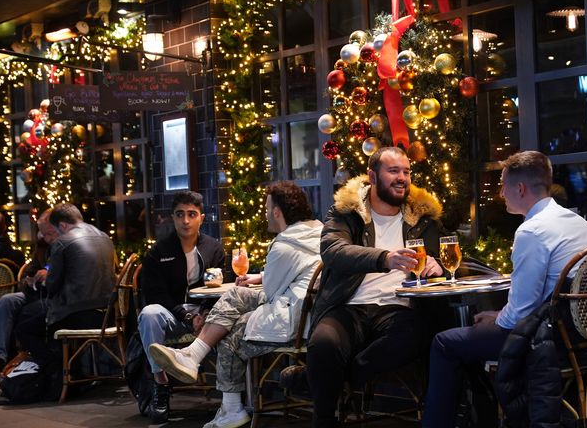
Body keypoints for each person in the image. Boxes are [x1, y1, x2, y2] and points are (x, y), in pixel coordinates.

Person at [420, 150, 587, 428]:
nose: (501, 193)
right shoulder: (578, 222)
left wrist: (498, 318)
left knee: (445, 343)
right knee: (472, 338)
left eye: (503, 185)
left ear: (520, 188)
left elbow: (520, 315)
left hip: (549, 342)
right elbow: (536, 300)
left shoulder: (532, 231)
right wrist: (498, 314)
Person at [149, 181, 323, 428]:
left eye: (266, 208)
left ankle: (224, 398)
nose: (264, 214)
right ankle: (198, 364)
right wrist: (260, 276)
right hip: (311, 314)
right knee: (235, 303)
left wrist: (260, 283)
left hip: (295, 322)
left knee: (232, 327)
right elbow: (297, 269)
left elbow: (272, 293)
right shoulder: (316, 233)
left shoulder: (284, 244)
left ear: (276, 212)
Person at [306, 147, 445, 428]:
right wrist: (385, 258)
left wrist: (437, 265)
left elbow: (442, 255)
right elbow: (333, 250)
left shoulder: (423, 217)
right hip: (348, 305)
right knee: (324, 344)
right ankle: (323, 421)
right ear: (372, 175)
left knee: (416, 335)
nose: (402, 178)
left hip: (399, 307)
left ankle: (335, 378)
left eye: (406, 172)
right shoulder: (346, 214)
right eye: (393, 171)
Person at [137, 190, 226, 423]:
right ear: (172, 218)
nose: (186, 220)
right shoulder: (158, 252)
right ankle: (161, 386)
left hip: (205, 320)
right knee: (149, 314)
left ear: (201, 218)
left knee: (232, 317)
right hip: (172, 315)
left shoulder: (214, 248)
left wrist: (205, 313)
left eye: (191, 214)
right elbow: (155, 295)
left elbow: (218, 289)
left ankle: (232, 396)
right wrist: (186, 316)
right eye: (180, 214)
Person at [14, 203, 116, 364]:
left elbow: (52, 286)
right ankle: (72, 370)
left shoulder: (62, 241)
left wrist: (43, 281)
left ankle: (58, 372)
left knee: (25, 329)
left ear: (62, 225)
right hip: (108, 314)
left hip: (77, 313)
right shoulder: (105, 237)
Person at [0, 209, 56, 377]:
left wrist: (47, 274)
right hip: (34, 292)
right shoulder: (42, 247)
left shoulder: (65, 244)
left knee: (21, 316)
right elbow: (30, 270)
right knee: (7, 301)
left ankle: (13, 373)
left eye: (45, 232)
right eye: (41, 232)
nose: (42, 235)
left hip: (52, 295)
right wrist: (30, 278)